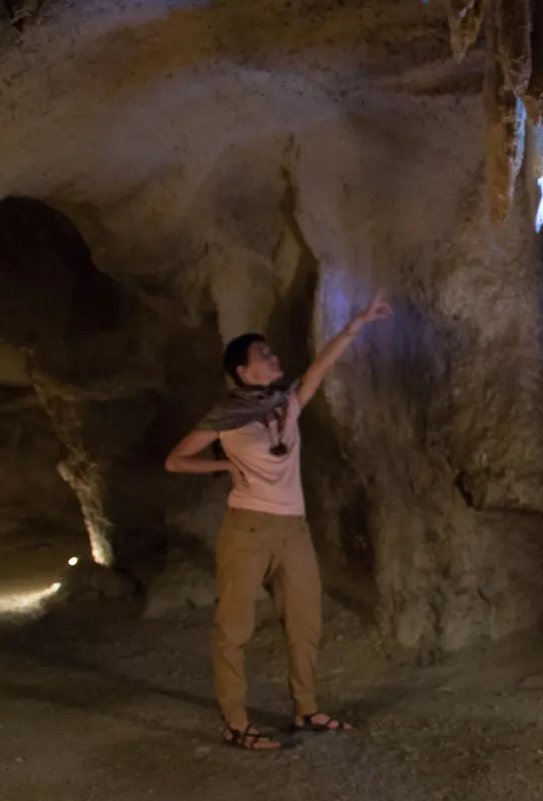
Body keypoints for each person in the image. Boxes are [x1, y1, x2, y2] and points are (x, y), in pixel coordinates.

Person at [166, 289, 391, 751]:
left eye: (271, 352)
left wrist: (358, 322)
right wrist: (224, 466)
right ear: (242, 372)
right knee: (234, 628)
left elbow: (319, 368)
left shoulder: (285, 404)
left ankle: (306, 710)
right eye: (263, 356)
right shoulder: (226, 416)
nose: (273, 359)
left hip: (293, 529)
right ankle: (236, 722)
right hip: (247, 528)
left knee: (305, 621)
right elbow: (175, 460)